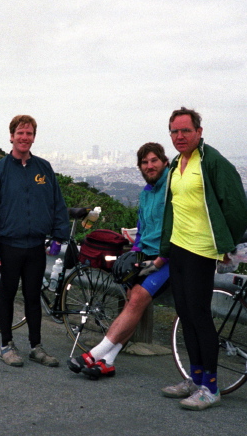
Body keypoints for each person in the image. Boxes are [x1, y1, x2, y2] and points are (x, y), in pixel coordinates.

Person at [159, 107, 247, 410]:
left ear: (199, 132)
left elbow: (237, 210)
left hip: (201, 251)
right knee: (184, 314)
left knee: (200, 317)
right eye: (175, 131)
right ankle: (194, 379)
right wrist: (165, 249)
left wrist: (224, 243)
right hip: (179, 248)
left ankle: (210, 387)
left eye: (186, 130)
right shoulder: (176, 163)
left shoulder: (212, 163)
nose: (180, 136)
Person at [68, 142, 172, 379]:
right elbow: (143, 229)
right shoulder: (147, 192)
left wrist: (160, 259)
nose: (149, 165)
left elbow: (176, 229)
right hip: (145, 254)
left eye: (154, 160)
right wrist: (134, 253)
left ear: (165, 162)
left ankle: (94, 354)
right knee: (131, 303)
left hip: (167, 259)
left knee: (136, 300)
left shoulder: (172, 188)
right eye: (145, 162)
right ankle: (108, 361)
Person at [0, 115, 70, 368]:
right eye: (20, 133)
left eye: (29, 134)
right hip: (8, 245)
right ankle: (6, 345)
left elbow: (57, 203)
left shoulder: (44, 169)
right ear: (11, 136)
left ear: (33, 137)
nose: (24, 137)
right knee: (6, 295)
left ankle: (35, 347)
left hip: (35, 246)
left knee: (32, 297)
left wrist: (59, 235)